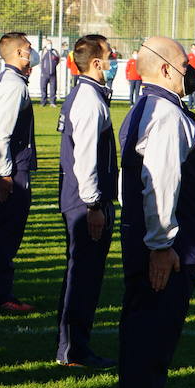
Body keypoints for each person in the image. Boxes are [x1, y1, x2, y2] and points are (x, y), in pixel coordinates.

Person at [117, 37, 195, 388]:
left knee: (148, 339)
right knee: (150, 341)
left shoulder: (145, 107)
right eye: (182, 65)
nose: (188, 72)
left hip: (155, 244)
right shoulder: (166, 114)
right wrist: (161, 246)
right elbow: (160, 182)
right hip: (164, 251)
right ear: (162, 70)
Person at [55, 34, 118, 369]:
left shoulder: (87, 95)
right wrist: (94, 205)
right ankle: (72, 350)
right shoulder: (89, 100)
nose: (113, 61)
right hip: (85, 203)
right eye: (109, 56)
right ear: (96, 63)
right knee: (83, 276)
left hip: (83, 200)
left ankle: (75, 346)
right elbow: (86, 160)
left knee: (84, 275)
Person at [0, 31, 37, 313]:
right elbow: (0, 131)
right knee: (6, 234)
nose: (32, 52)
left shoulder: (10, 80)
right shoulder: (14, 84)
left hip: (12, 165)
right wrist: (4, 174)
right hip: (13, 168)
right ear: (17, 53)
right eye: (28, 48)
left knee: (5, 233)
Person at [38, 39, 60, 106]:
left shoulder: (55, 51)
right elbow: (39, 61)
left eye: (50, 43)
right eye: (48, 43)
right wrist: (43, 68)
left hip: (53, 74)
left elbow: (58, 60)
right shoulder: (42, 52)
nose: (49, 45)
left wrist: (54, 66)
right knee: (43, 88)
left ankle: (52, 102)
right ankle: (43, 102)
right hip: (44, 73)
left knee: (53, 88)